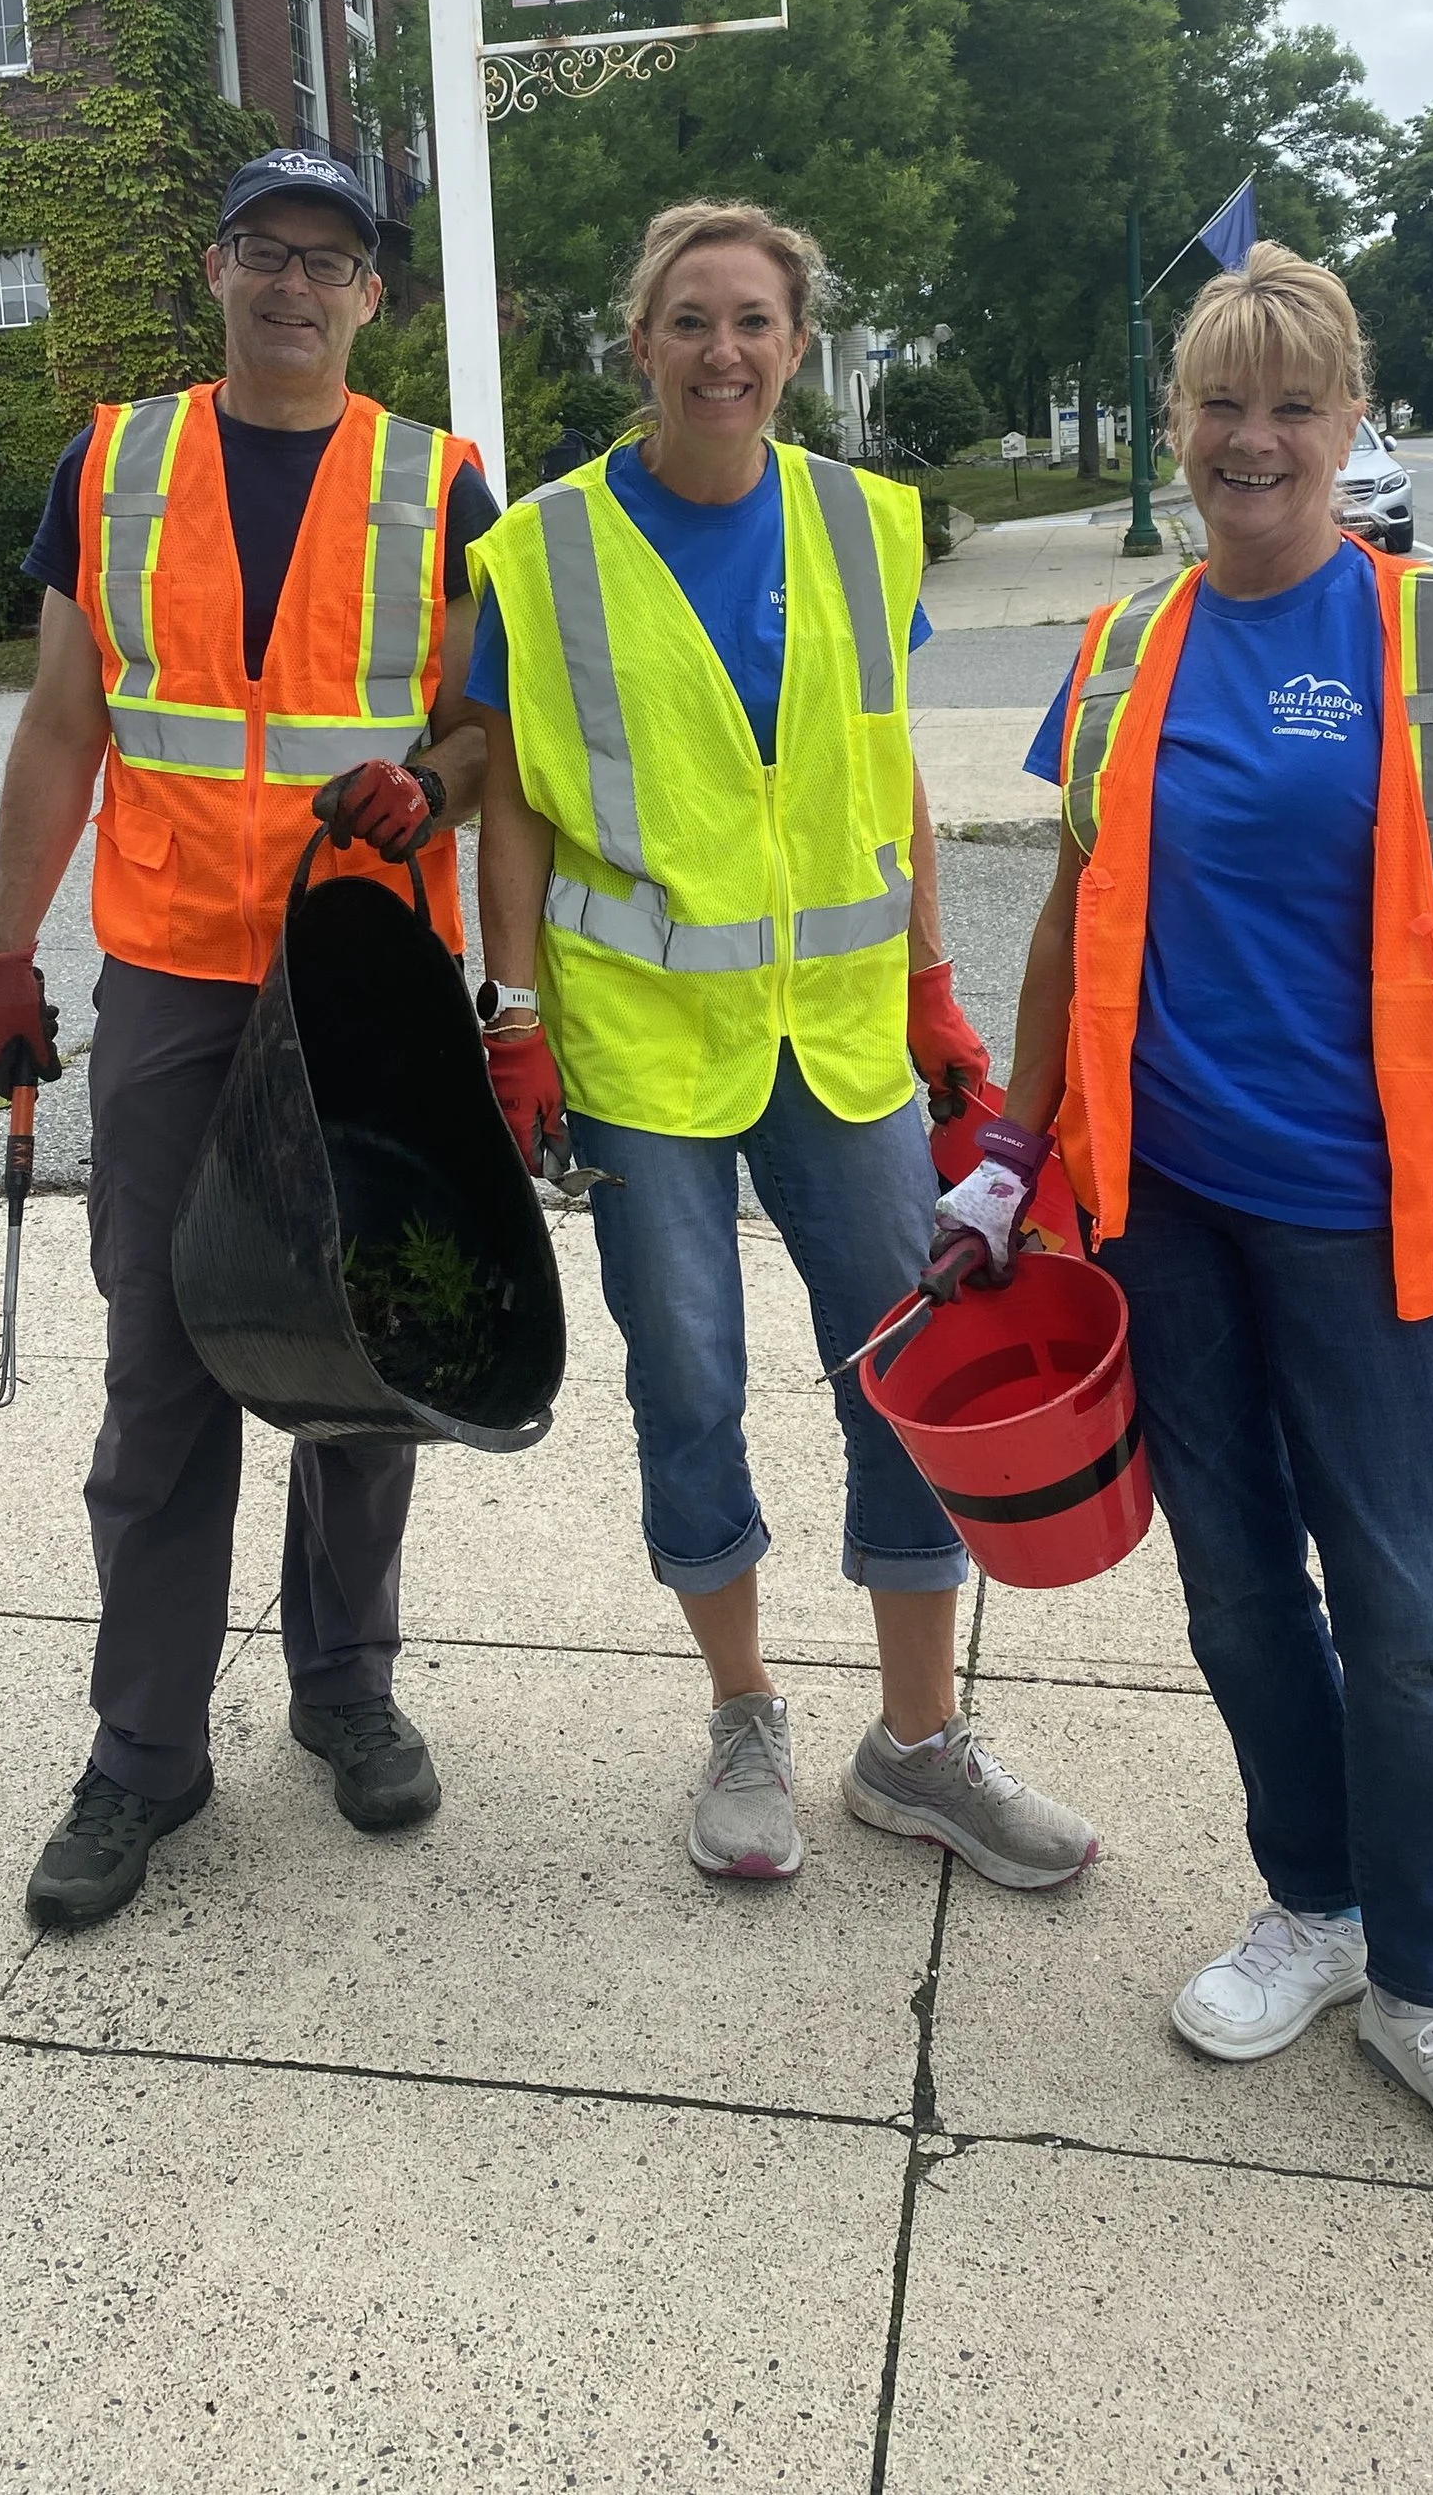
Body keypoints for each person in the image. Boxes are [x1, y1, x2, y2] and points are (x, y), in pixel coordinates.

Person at [938, 243, 1433, 2203]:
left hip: (1364, 1218)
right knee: (1240, 1583)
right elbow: (1078, 922)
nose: (1251, 440)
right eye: (1217, 405)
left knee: (1406, 1604)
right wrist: (1010, 1149)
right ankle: (1313, 1901)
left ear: (1346, 426)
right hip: (1160, 1209)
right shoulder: (1113, 655)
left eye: (1291, 405)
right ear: (1176, 428)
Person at [465, 197, 1097, 1892]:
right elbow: (516, 804)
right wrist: (508, 1011)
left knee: (914, 1369)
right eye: (690, 320)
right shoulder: (542, 551)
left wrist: (929, 980)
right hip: (645, 1047)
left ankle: (916, 1747)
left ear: (797, 347)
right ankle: (745, 1714)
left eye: (754, 321)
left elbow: (879, 768)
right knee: (688, 1381)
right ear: (640, 344)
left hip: (837, 1037)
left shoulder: (863, 524)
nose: (723, 350)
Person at [0, 144, 500, 1931]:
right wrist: (3, 946)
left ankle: (345, 1681)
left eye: (329, 259)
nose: (293, 283)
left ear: (371, 295)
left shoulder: (440, 483)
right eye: (263, 251)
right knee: (166, 1356)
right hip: (179, 979)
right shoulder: (112, 467)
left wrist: (428, 789)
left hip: (365, 970)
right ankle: (144, 1753)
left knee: (370, 1340)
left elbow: (483, 731)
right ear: (215, 273)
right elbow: (61, 723)